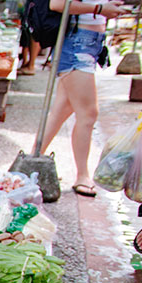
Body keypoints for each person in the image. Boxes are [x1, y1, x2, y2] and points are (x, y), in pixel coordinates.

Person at [39, 0, 128, 197]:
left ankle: (33, 159)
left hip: (88, 42)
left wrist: (104, 6)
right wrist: (100, 9)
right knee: (88, 113)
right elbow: (57, 3)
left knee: (63, 108)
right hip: (77, 43)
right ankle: (82, 175)